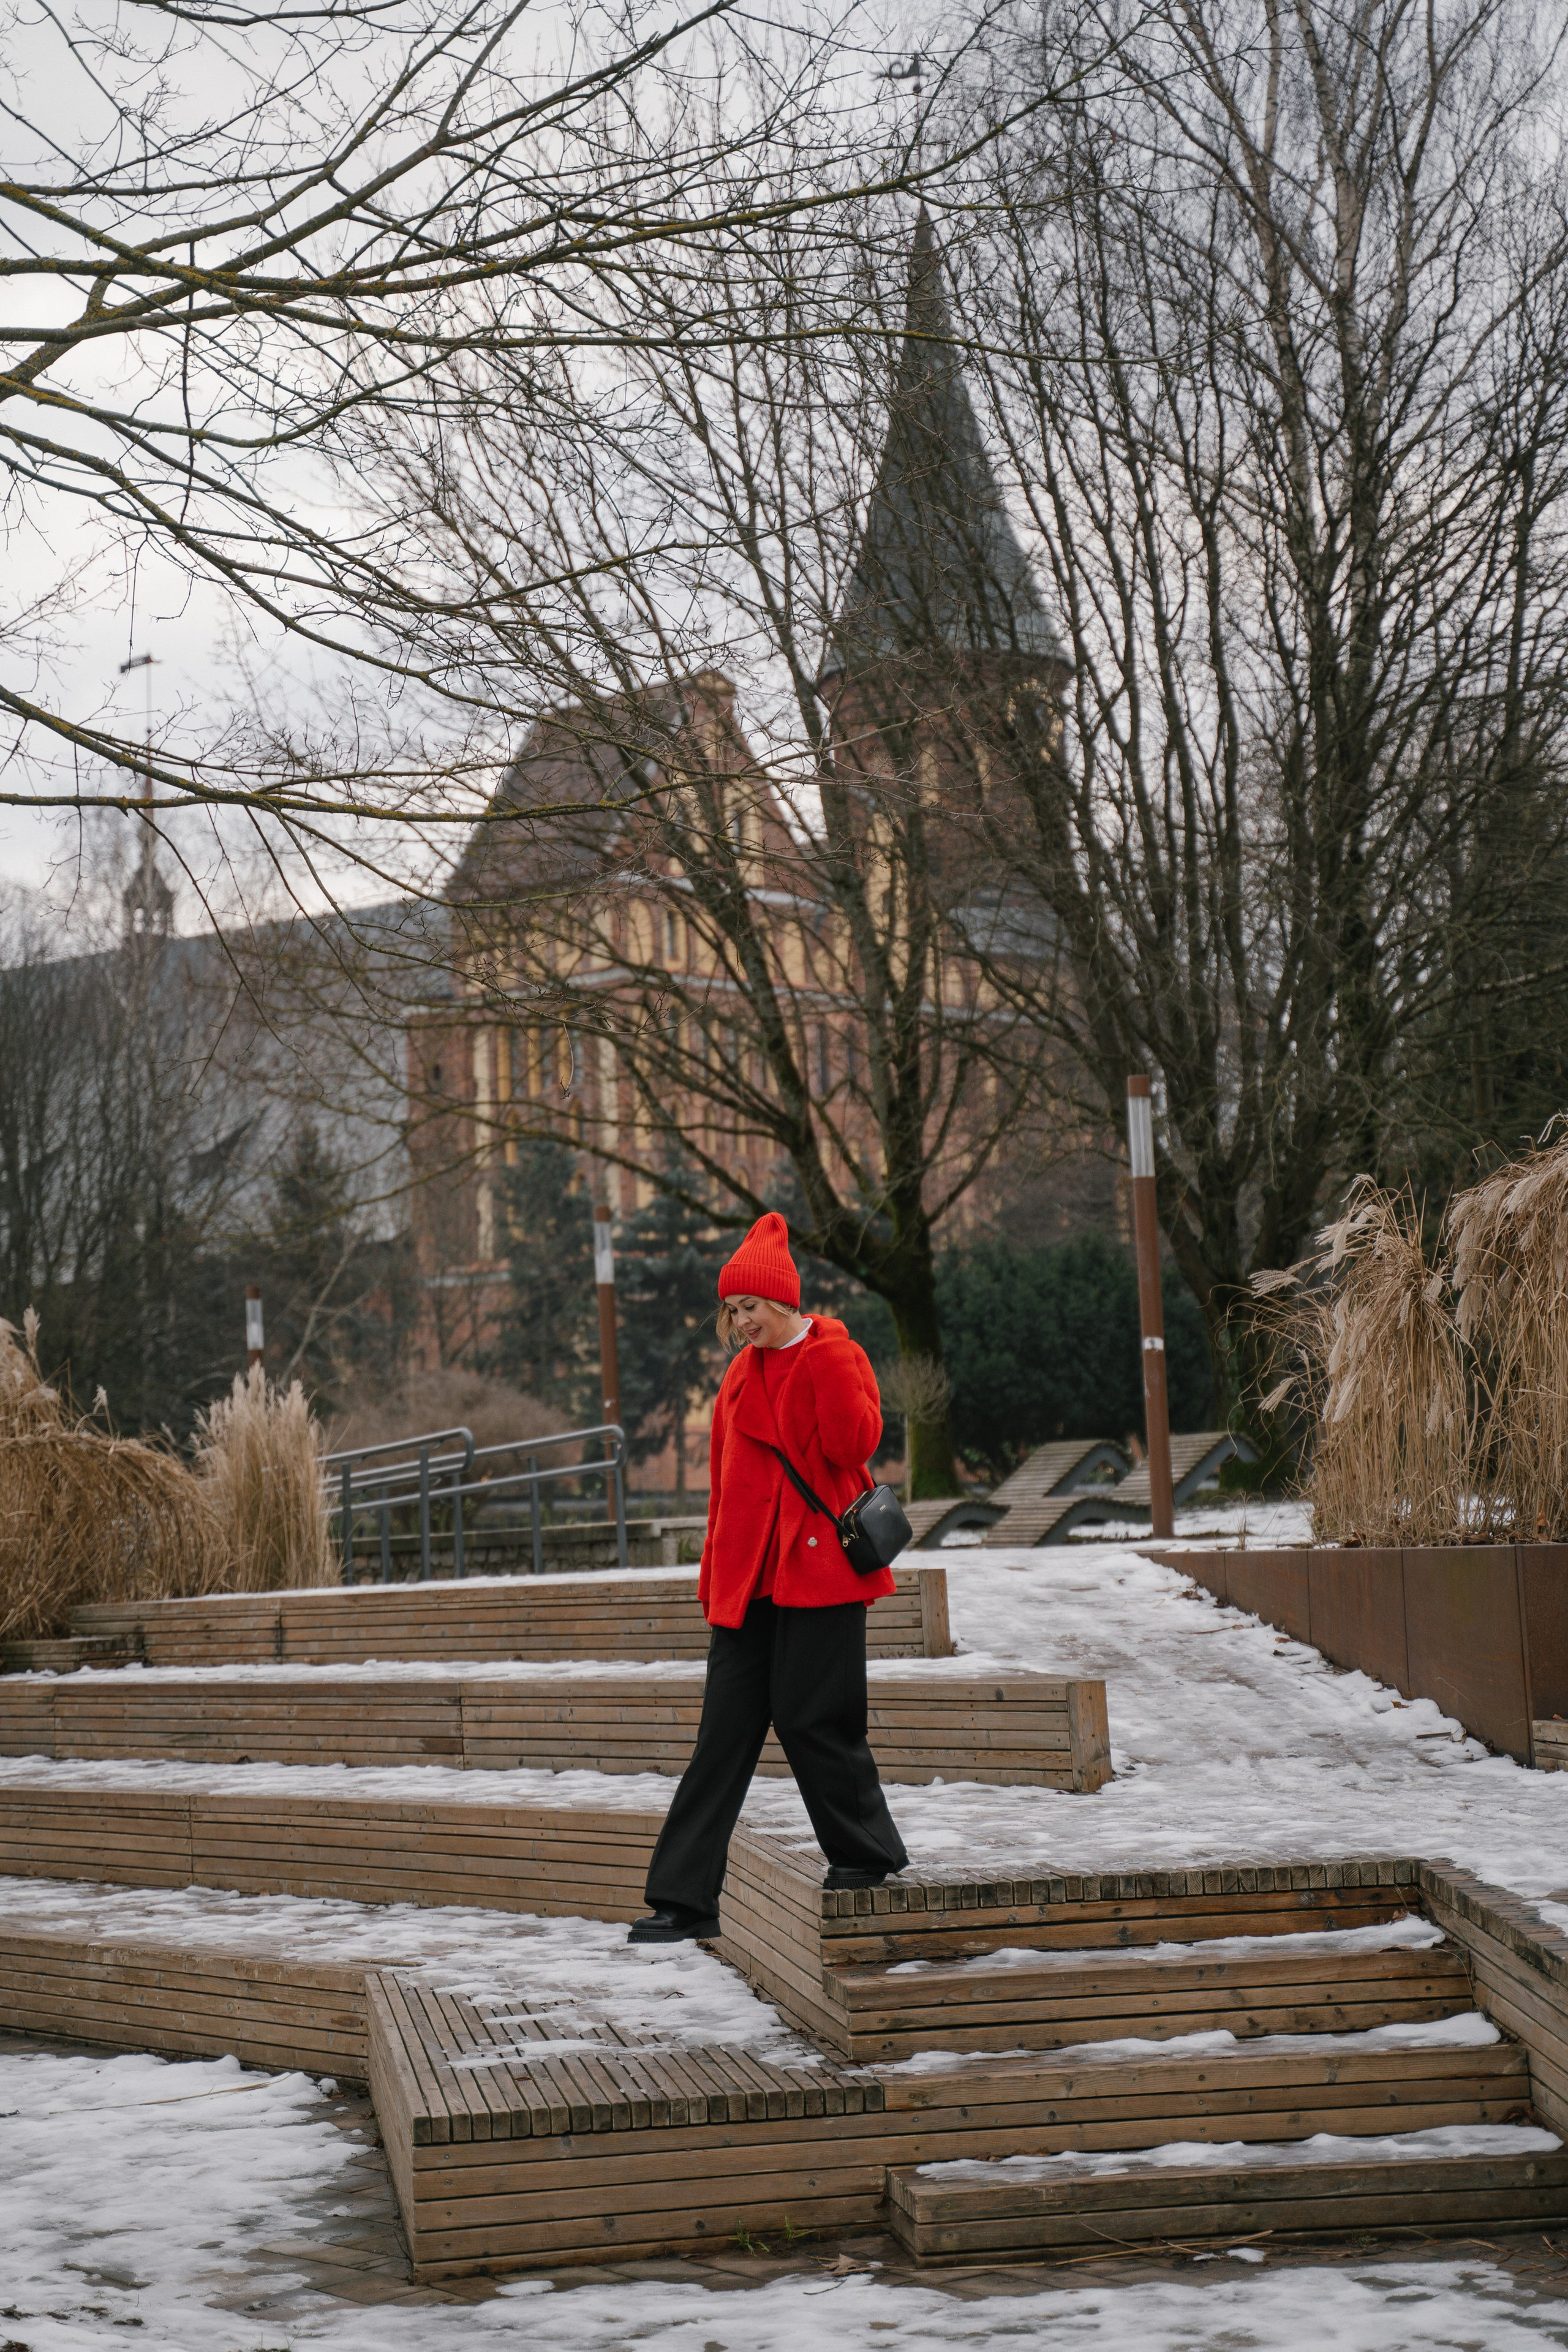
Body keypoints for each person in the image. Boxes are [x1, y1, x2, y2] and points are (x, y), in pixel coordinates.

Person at [629, 1211, 909, 1943]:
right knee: (722, 1733)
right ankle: (683, 1900)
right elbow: (723, 1487)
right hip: (749, 1577)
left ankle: (865, 1854)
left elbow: (856, 1444)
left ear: (783, 1300)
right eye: (732, 1309)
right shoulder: (737, 1375)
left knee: (815, 1718)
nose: (739, 1320)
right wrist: (714, 1579)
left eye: (749, 1305)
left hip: (820, 1570)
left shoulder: (833, 1355)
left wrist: (825, 1355)